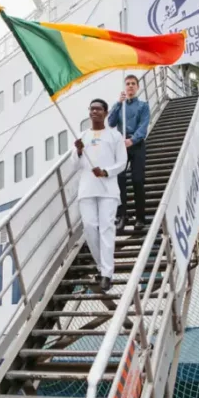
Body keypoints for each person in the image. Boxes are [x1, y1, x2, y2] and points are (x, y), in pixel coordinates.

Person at [74, 98, 127, 292]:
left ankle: (106, 274)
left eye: (98, 109)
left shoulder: (114, 135)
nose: (94, 112)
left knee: (106, 229)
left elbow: (122, 162)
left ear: (105, 113)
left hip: (108, 190)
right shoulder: (82, 136)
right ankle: (100, 266)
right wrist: (79, 151)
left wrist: (105, 172)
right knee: (89, 228)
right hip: (87, 189)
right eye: (92, 109)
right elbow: (75, 165)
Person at [108, 74, 150, 231]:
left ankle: (140, 217)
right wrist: (118, 103)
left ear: (137, 87)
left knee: (137, 180)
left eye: (133, 83)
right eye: (127, 83)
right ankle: (122, 215)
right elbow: (111, 122)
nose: (130, 86)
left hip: (136, 145)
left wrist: (132, 140)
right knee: (120, 180)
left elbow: (143, 126)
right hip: (121, 146)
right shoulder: (120, 105)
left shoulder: (143, 106)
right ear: (124, 87)